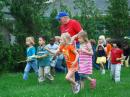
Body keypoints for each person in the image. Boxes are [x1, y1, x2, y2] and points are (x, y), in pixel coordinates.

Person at [56, 11, 83, 81]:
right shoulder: (62, 26)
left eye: (59, 19)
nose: (59, 21)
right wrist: (58, 49)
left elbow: (82, 32)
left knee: (76, 63)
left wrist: (74, 36)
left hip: (76, 45)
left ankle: (78, 80)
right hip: (67, 47)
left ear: (65, 17)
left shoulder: (74, 22)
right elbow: (63, 39)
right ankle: (73, 79)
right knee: (69, 62)